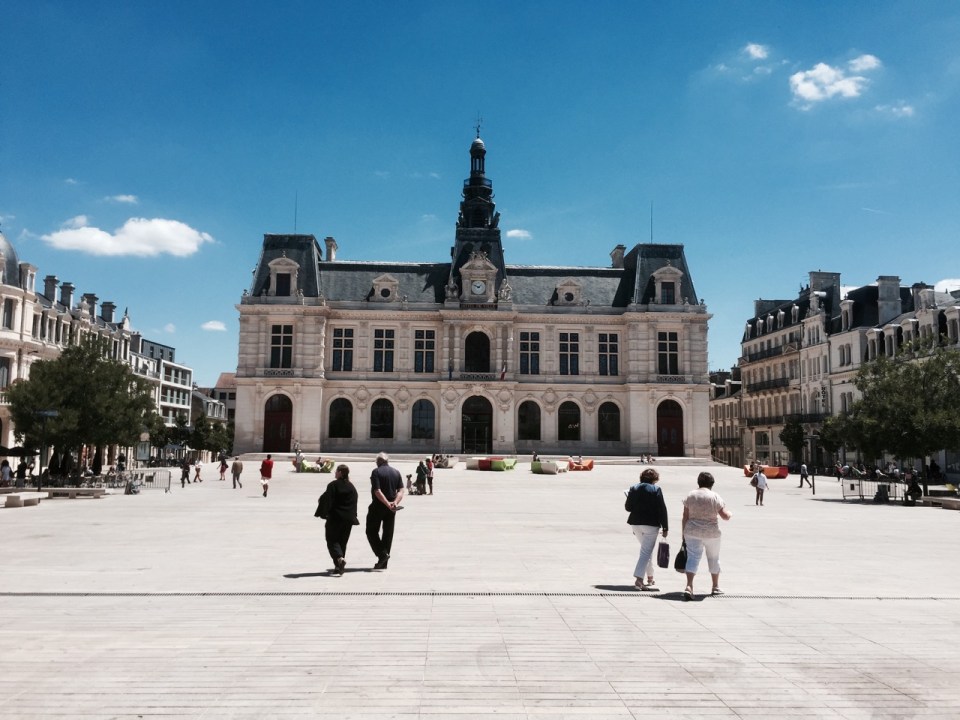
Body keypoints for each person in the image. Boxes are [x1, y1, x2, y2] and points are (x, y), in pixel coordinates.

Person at [681, 471, 732, 600]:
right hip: (712, 533)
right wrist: (730, 513)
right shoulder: (714, 496)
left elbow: (685, 517)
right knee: (714, 558)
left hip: (692, 532)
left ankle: (689, 586)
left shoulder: (690, 495)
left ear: (698, 482)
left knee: (692, 558)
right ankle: (715, 586)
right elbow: (725, 516)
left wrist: (683, 534)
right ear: (712, 484)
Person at [625, 467, 669, 591]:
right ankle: (639, 579)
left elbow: (628, 507)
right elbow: (662, 509)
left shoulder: (633, 488)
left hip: (635, 524)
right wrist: (665, 527)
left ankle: (650, 577)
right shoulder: (656, 489)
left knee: (646, 550)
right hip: (650, 524)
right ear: (654, 479)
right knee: (646, 552)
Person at [366, 452, 404, 570]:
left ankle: (382, 555)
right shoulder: (396, 472)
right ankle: (384, 563)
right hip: (392, 508)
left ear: (379, 461)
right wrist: (395, 502)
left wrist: (387, 503)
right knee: (388, 534)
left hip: (378, 506)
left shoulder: (376, 472)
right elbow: (401, 490)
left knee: (371, 532)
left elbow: (377, 491)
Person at [320, 464, 360, 575]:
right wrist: (353, 516)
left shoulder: (333, 485)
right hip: (348, 519)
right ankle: (339, 566)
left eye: (336, 471)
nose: (335, 473)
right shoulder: (351, 487)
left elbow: (327, 501)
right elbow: (354, 502)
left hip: (335, 518)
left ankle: (339, 559)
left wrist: (324, 514)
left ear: (340, 472)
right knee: (342, 542)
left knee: (332, 540)